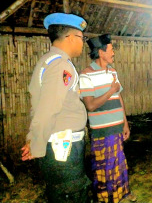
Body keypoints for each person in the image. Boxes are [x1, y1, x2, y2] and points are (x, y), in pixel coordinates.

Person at [21, 13, 91, 202]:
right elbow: (47, 111)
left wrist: (32, 139)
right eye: (81, 38)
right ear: (70, 38)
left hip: (58, 145)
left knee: (61, 193)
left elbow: (39, 107)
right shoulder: (61, 66)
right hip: (63, 148)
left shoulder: (48, 61)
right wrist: (36, 145)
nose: (83, 43)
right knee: (72, 194)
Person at [79, 34, 136, 203]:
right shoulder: (86, 75)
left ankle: (124, 193)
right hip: (102, 131)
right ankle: (106, 199)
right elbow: (90, 105)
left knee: (119, 162)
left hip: (117, 127)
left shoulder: (113, 72)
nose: (113, 53)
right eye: (111, 50)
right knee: (105, 166)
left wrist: (125, 123)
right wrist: (111, 90)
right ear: (100, 52)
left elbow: (119, 98)